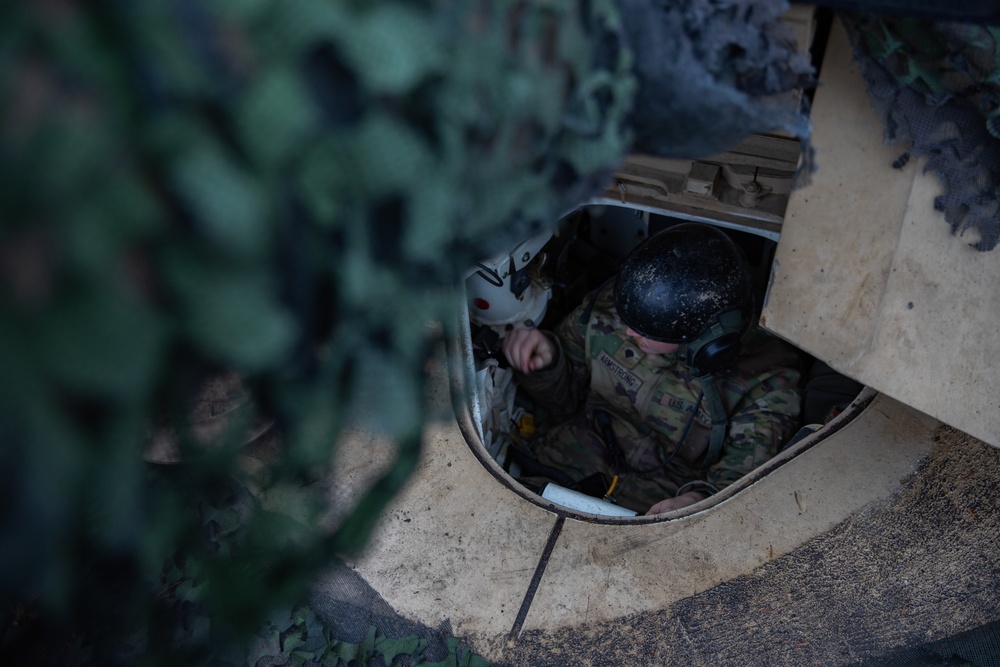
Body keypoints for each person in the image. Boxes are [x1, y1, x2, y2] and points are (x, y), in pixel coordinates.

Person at [502, 223, 802, 515]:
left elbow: (744, 480)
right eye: (627, 318)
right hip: (563, 462)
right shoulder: (613, 310)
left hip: (658, 506)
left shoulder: (769, 380)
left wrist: (698, 499)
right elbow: (563, 405)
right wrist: (547, 364)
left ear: (706, 339)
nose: (629, 331)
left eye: (648, 331)